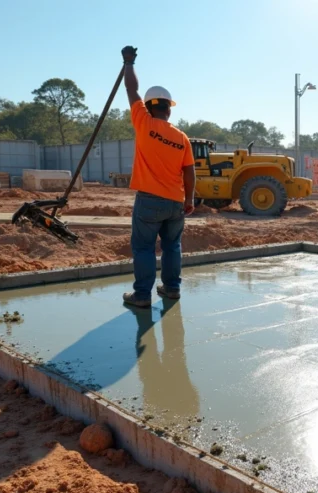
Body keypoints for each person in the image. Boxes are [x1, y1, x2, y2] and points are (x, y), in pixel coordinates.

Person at [120, 45, 197, 309]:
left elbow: (132, 91)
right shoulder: (182, 138)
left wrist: (129, 63)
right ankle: (172, 289)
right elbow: (189, 170)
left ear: (149, 107)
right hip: (175, 202)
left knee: (143, 248)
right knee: (172, 246)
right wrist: (190, 199)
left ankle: (142, 295)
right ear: (169, 110)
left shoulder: (143, 122)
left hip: (149, 201)